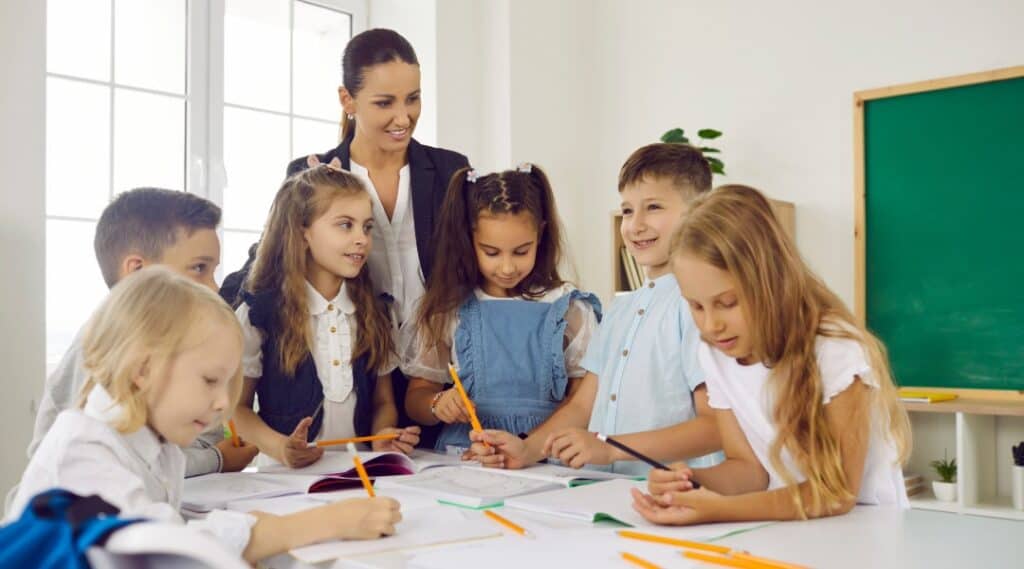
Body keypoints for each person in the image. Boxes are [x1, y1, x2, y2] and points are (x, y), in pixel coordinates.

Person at [6, 267, 402, 564]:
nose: (221, 404)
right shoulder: (85, 450)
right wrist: (324, 524)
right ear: (142, 369)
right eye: (210, 380)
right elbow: (165, 550)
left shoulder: (157, 445)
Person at [633, 184, 910, 525]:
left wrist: (719, 510)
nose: (711, 324)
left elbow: (837, 493)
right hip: (788, 529)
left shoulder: (835, 349)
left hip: (866, 534)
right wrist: (689, 482)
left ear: (770, 282)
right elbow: (748, 470)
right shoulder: (715, 352)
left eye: (727, 303)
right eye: (696, 306)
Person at [402, 164, 601, 452]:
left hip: (545, 451)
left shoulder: (569, 309)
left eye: (521, 251)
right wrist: (437, 404)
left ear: (541, 236)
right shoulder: (449, 310)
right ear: (468, 240)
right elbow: (417, 396)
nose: (507, 267)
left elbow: (582, 401)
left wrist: (529, 448)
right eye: (491, 252)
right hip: (468, 453)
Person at [232, 165, 419, 468]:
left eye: (367, 227)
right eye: (346, 225)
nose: (362, 239)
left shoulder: (378, 312)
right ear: (302, 231)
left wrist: (382, 435)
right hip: (282, 482)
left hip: (357, 475)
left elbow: (384, 402)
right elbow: (236, 409)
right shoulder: (259, 314)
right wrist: (280, 448)